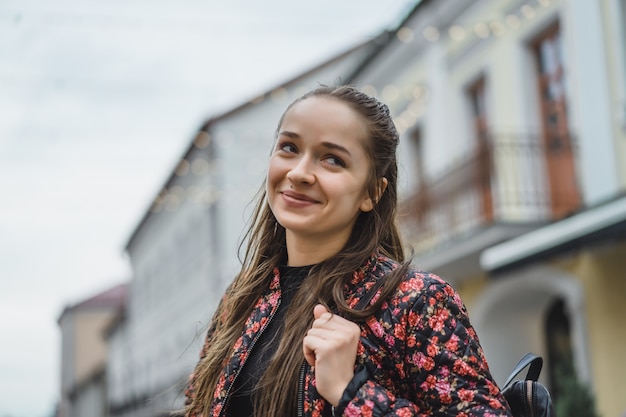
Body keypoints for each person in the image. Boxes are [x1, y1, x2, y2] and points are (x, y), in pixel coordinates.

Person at [183, 85, 512, 417]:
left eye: (332, 159)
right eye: (289, 147)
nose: (298, 173)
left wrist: (352, 392)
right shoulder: (241, 298)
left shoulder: (414, 302)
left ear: (371, 192)